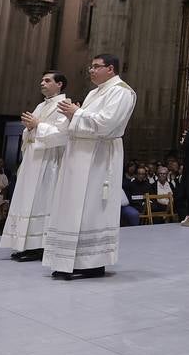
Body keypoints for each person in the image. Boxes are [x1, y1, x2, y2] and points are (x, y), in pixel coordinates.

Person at [43, 53, 137, 280]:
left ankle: (93, 263)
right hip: (80, 157)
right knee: (76, 208)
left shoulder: (122, 91)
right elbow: (84, 122)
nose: (91, 71)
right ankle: (72, 260)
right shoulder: (95, 93)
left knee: (92, 209)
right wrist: (72, 115)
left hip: (99, 160)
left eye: (96, 67)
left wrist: (77, 113)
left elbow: (107, 125)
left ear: (111, 69)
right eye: (91, 67)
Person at [0, 71, 70, 261]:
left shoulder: (65, 105)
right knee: (25, 202)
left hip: (48, 163)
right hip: (32, 160)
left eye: (47, 80)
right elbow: (31, 132)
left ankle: (39, 246)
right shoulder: (41, 105)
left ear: (60, 84)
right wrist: (29, 128)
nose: (42, 83)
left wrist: (38, 125)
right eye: (42, 80)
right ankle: (24, 244)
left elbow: (62, 136)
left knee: (41, 202)